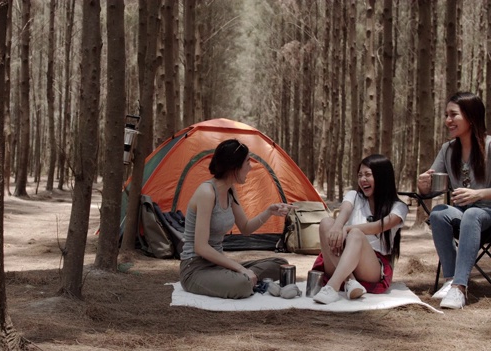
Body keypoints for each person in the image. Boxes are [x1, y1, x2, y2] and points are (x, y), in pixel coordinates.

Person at [179, 139, 296, 299]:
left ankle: (245, 279)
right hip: (195, 269)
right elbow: (201, 247)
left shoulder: (229, 190)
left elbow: (246, 228)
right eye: (247, 162)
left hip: (218, 266)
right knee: (241, 285)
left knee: (279, 264)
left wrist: (269, 212)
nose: (251, 166)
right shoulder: (207, 192)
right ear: (234, 167)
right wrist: (240, 269)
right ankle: (245, 280)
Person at [418, 91, 491, 310]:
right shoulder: (448, 149)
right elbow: (430, 188)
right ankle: (450, 280)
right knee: (439, 212)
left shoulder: (489, 146)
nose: (448, 120)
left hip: (488, 214)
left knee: (473, 212)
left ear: (470, 117)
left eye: (453, 114)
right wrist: (423, 185)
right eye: (446, 115)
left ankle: (460, 287)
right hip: (462, 216)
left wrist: (479, 194)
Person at [312, 154, 408, 305]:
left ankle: (332, 287)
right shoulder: (354, 196)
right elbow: (344, 210)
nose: (363, 179)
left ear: (382, 177)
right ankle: (350, 280)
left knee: (356, 234)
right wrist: (338, 226)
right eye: (360, 175)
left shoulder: (398, 207)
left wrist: (347, 229)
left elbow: (377, 226)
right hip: (340, 259)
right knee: (326, 223)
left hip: (371, 267)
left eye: (368, 175)